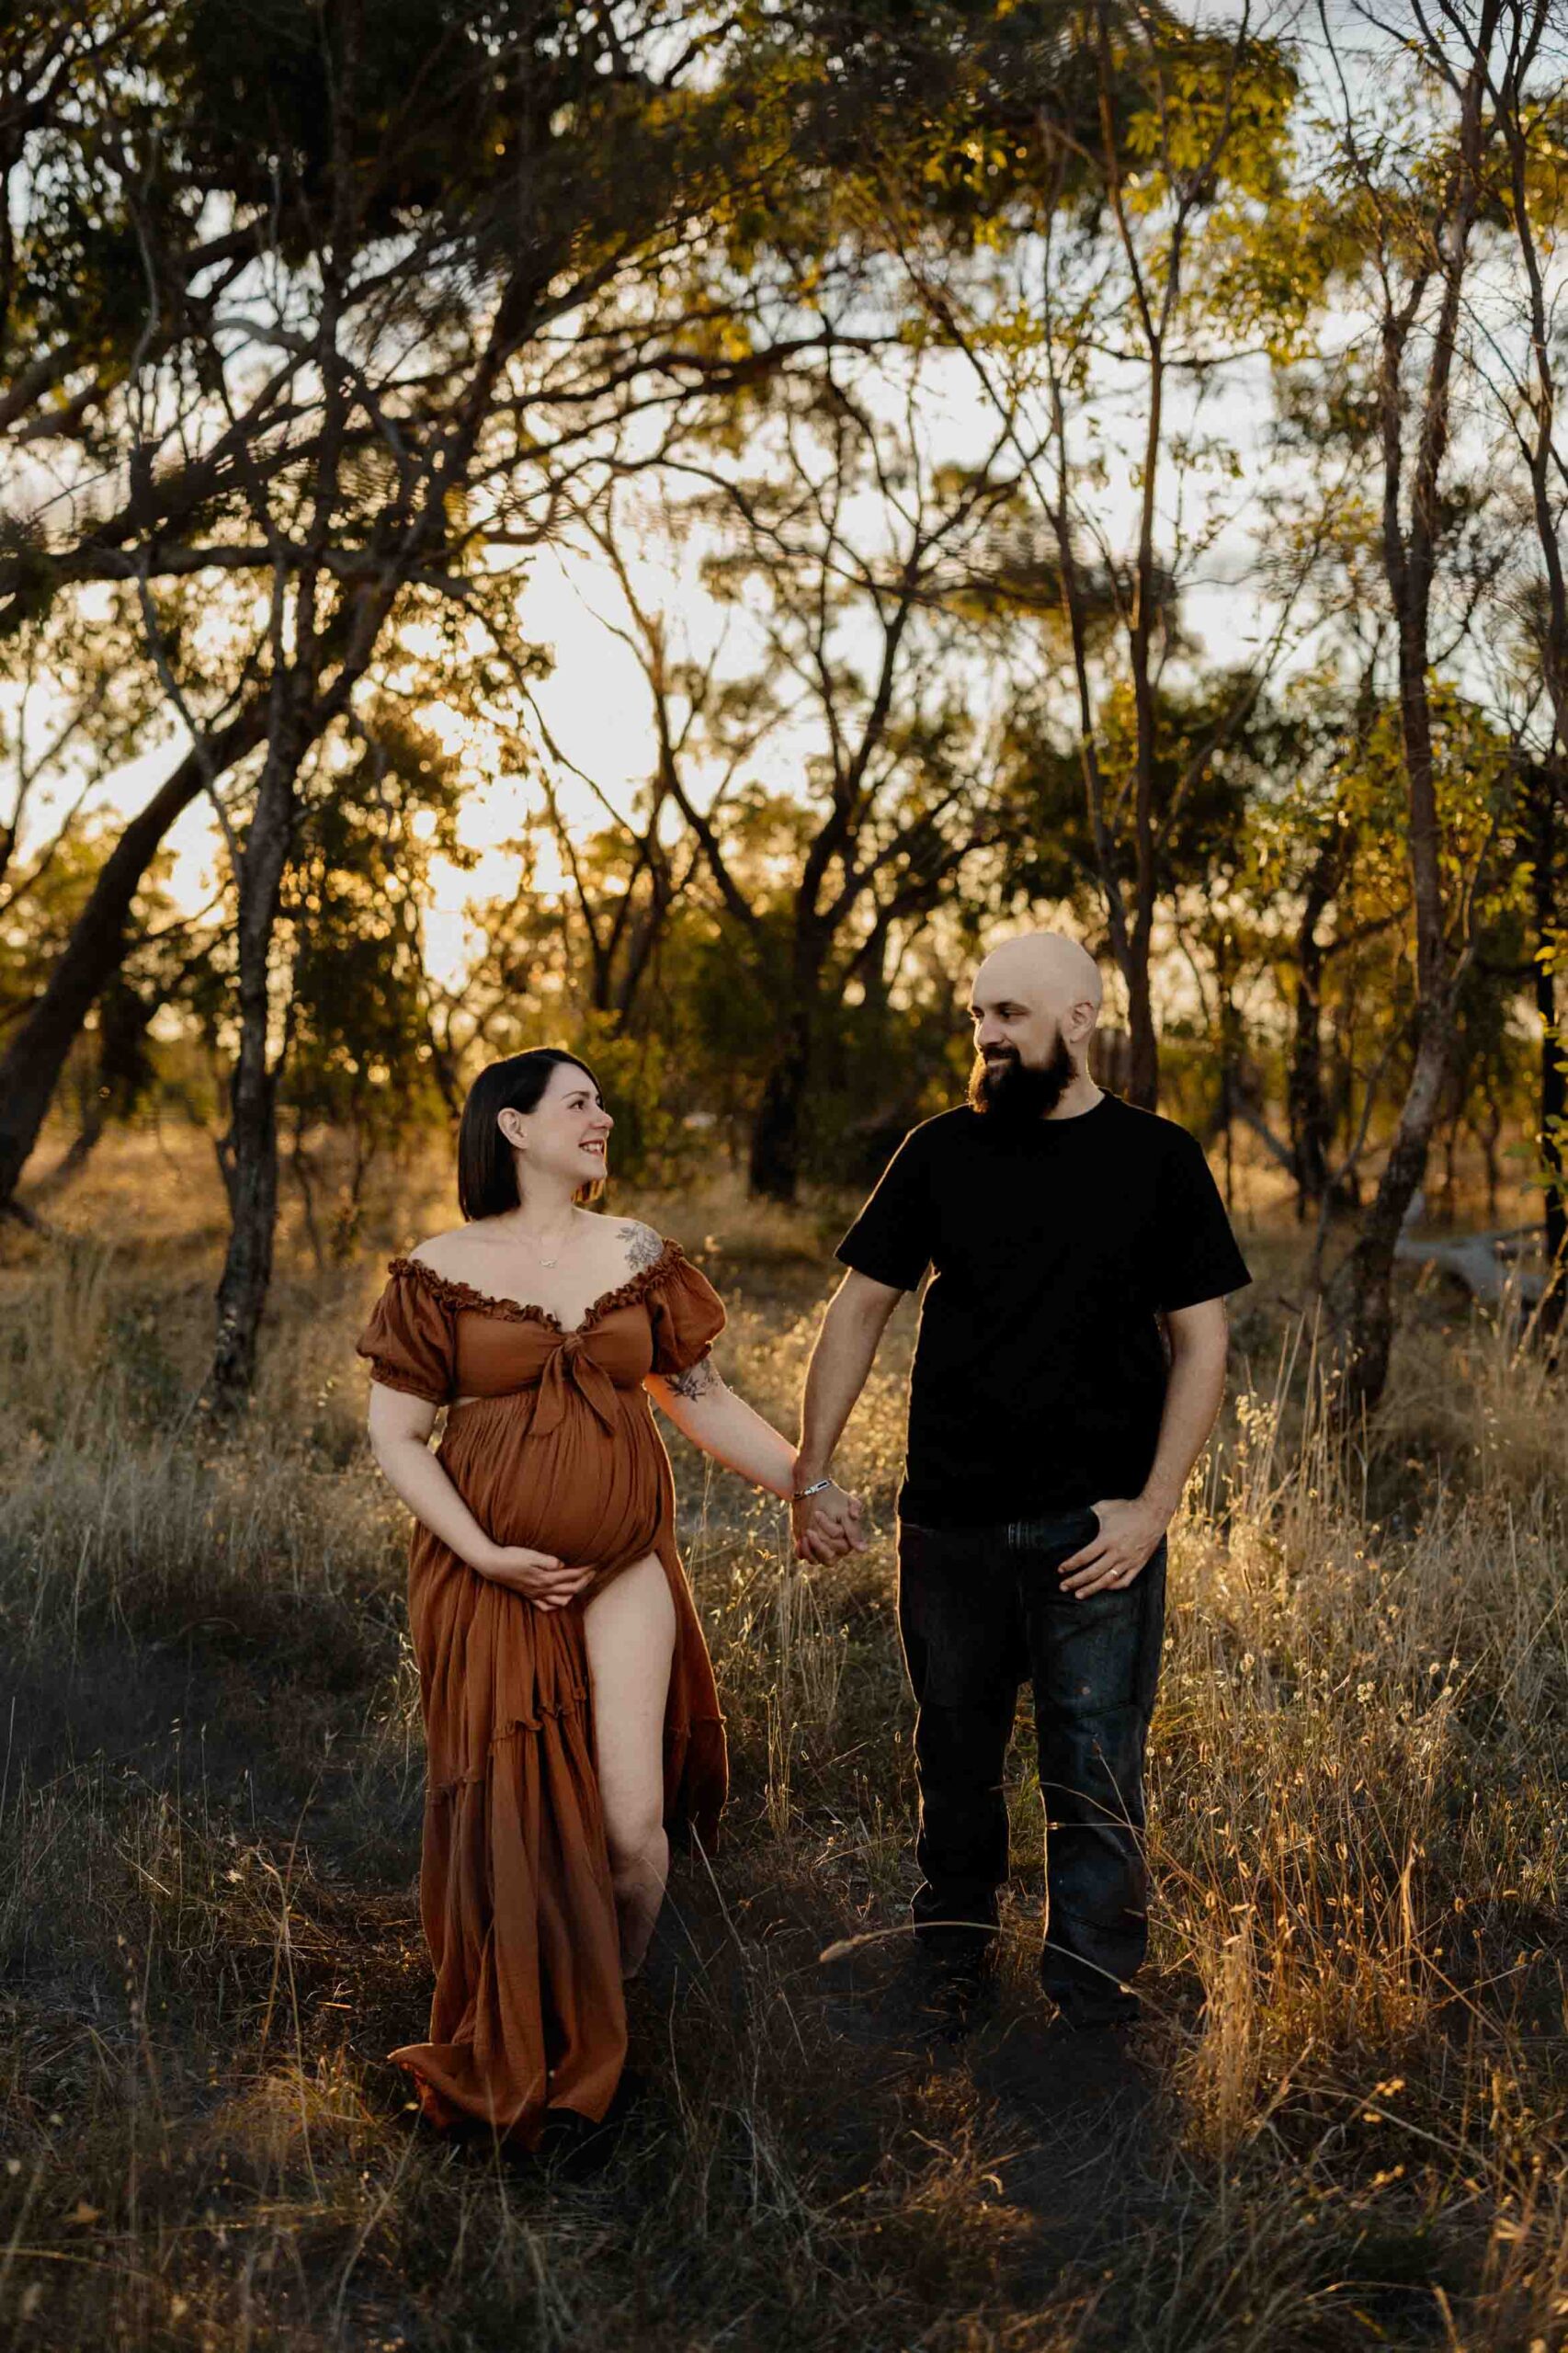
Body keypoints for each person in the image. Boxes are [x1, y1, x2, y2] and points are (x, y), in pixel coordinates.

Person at [355, 1048, 864, 2158]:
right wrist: (487, 1554)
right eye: (579, 1102)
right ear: (512, 1127)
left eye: (599, 1102)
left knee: (631, 1833)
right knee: (513, 1833)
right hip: (484, 1580)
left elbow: (703, 1400)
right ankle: (529, 2039)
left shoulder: (633, 1254)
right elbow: (394, 1437)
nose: (604, 1117)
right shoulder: (438, 1271)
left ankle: (610, 2001)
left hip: (624, 1564)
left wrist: (807, 1482)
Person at [790, 932, 1251, 2039]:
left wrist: (1151, 1509)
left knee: (1092, 1773)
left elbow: (1202, 1343)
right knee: (951, 1760)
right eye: (975, 1017)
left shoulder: (1158, 1157)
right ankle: (950, 1966)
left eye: (1007, 1013)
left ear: (1080, 1020)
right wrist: (810, 1474)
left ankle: (1091, 2008)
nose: (986, 1035)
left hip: (1093, 1526)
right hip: (947, 1518)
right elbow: (857, 1311)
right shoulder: (940, 1151)